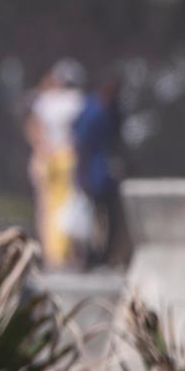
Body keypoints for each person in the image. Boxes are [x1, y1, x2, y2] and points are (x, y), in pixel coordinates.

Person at [26, 60, 86, 268]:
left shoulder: (44, 101)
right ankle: (63, 253)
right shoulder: (77, 101)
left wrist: (42, 148)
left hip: (49, 157)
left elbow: (33, 128)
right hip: (67, 157)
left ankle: (54, 254)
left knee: (49, 208)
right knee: (66, 205)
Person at [72, 73, 126, 268]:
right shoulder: (93, 110)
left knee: (110, 217)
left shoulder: (112, 110)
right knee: (93, 218)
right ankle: (91, 256)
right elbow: (82, 144)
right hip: (93, 173)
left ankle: (105, 255)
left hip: (106, 173)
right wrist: (82, 176)